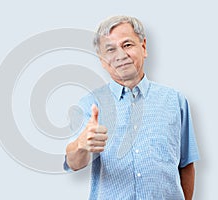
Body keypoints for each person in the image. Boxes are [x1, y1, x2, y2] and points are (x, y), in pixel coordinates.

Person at [64, 15, 199, 200]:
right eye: (110, 49)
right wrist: (81, 145)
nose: (120, 55)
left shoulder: (175, 100)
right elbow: (73, 163)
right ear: (102, 60)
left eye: (127, 45)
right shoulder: (89, 104)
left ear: (143, 47)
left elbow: (186, 164)